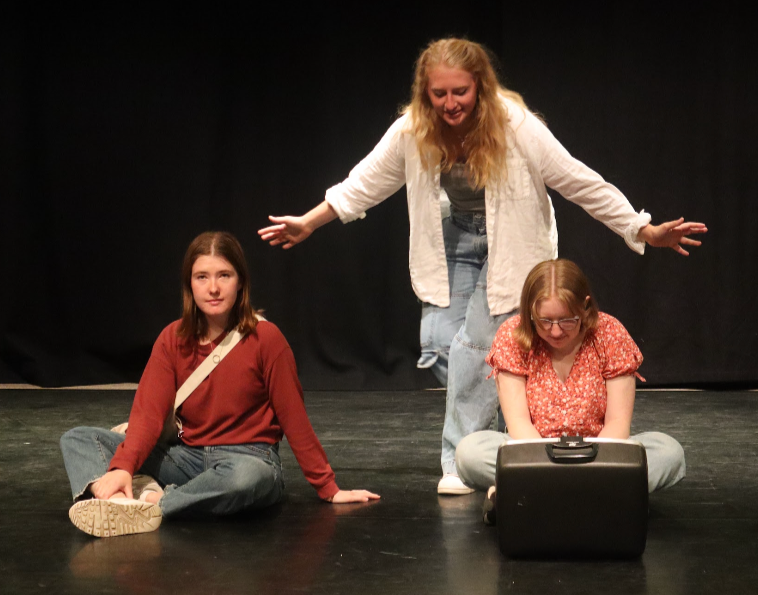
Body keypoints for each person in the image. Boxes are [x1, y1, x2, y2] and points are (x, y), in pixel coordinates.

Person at [259, 37, 704, 495]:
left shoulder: (515, 126)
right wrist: (308, 223)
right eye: (440, 94)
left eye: (460, 92)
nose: (450, 104)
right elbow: (365, 182)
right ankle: (518, 425)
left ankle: (460, 459)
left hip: (513, 242)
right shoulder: (413, 130)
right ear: (424, 93)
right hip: (453, 238)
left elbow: (579, 180)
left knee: (475, 344)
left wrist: (640, 228)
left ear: (480, 87)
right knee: (438, 345)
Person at [59, 231, 379, 538]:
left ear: (240, 283)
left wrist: (328, 488)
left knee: (249, 479)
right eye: (202, 277)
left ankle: (153, 503)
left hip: (248, 459)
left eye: (224, 275)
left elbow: (294, 419)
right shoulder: (173, 338)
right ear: (190, 285)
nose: (213, 287)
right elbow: (148, 413)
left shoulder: (267, 339)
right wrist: (123, 467)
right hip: (185, 458)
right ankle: (120, 504)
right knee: (79, 440)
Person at [455, 258, 685, 520]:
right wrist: (545, 468)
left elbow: (618, 425)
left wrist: (594, 467)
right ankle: (598, 500)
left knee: (668, 452)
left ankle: (528, 497)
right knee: (469, 452)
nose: (555, 331)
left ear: (585, 307)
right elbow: (519, 424)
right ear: (530, 313)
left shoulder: (609, 333)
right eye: (545, 321)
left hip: (597, 454)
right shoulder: (512, 336)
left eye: (566, 321)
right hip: (534, 452)